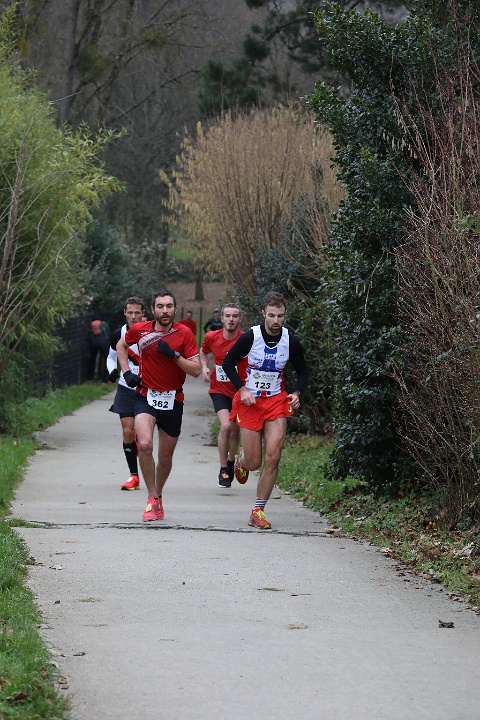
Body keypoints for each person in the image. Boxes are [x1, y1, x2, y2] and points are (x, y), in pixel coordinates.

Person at [222, 291, 307, 530]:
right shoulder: (251, 337)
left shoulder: (291, 341)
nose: (276, 321)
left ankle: (258, 511)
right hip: (250, 403)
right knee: (254, 462)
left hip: (276, 402)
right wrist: (242, 389)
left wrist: (297, 393)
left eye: (280, 316)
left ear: (285, 315)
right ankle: (242, 459)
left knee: (274, 455)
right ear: (263, 314)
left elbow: (302, 372)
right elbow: (227, 363)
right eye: (271, 315)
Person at [116, 288, 201, 522]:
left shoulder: (184, 334)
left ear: (175, 309)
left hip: (173, 399)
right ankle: (152, 497)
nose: (165, 311)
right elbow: (121, 346)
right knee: (144, 444)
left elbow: (196, 370)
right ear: (152, 310)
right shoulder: (140, 330)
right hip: (145, 396)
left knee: (164, 458)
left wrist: (174, 355)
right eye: (160, 307)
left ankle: (158, 494)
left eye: (169, 306)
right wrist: (127, 372)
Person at [200, 303, 247, 488]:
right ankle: (222, 469)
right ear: (222, 319)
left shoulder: (246, 339)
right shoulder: (212, 337)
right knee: (226, 426)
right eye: (227, 316)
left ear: (240, 318)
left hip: (239, 392)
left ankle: (230, 460)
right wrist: (205, 367)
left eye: (235, 316)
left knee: (235, 431)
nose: (231, 319)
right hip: (218, 390)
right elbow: (203, 352)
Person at [106, 296, 146, 491]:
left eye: (137, 312)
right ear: (124, 313)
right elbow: (111, 356)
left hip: (147, 389)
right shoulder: (118, 334)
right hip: (125, 387)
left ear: (143, 313)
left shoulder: (151, 333)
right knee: (128, 431)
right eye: (130, 312)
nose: (133, 316)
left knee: (144, 436)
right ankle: (134, 476)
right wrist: (112, 370)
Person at [87, 316, 110, 382]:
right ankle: (105, 379)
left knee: (92, 359)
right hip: (104, 343)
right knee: (107, 360)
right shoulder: (105, 324)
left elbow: (89, 334)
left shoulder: (92, 325)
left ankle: (90, 378)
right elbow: (108, 333)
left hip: (94, 343)